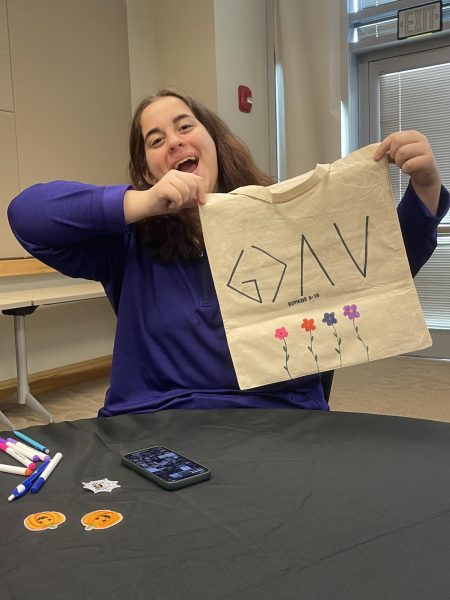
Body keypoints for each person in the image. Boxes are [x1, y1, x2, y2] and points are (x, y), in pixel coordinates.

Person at [7, 89, 449, 416]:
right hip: (153, 425)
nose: (175, 142)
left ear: (213, 140)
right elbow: (27, 215)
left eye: (184, 127)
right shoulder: (129, 242)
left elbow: (379, 267)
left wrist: (425, 187)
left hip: (281, 420)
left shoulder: (284, 222)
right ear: (146, 169)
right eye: (155, 140)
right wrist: (141, 203)